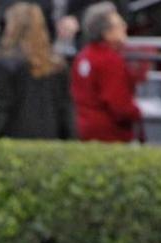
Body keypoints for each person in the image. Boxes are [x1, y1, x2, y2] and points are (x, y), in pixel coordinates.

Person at [0, 2, 74, 139]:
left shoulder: (5, 65)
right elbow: (65, 111)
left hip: (16, 139)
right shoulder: (57, 66)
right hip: (50, 139)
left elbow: (2, 109)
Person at [69, 2, 141, 142]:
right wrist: (137, 112)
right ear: (106, 33)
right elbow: (120, 106)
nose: (125, 26)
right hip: (110, 136)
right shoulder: (109, 60)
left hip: (83, 131)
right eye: (119, 25)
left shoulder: (83, 56)